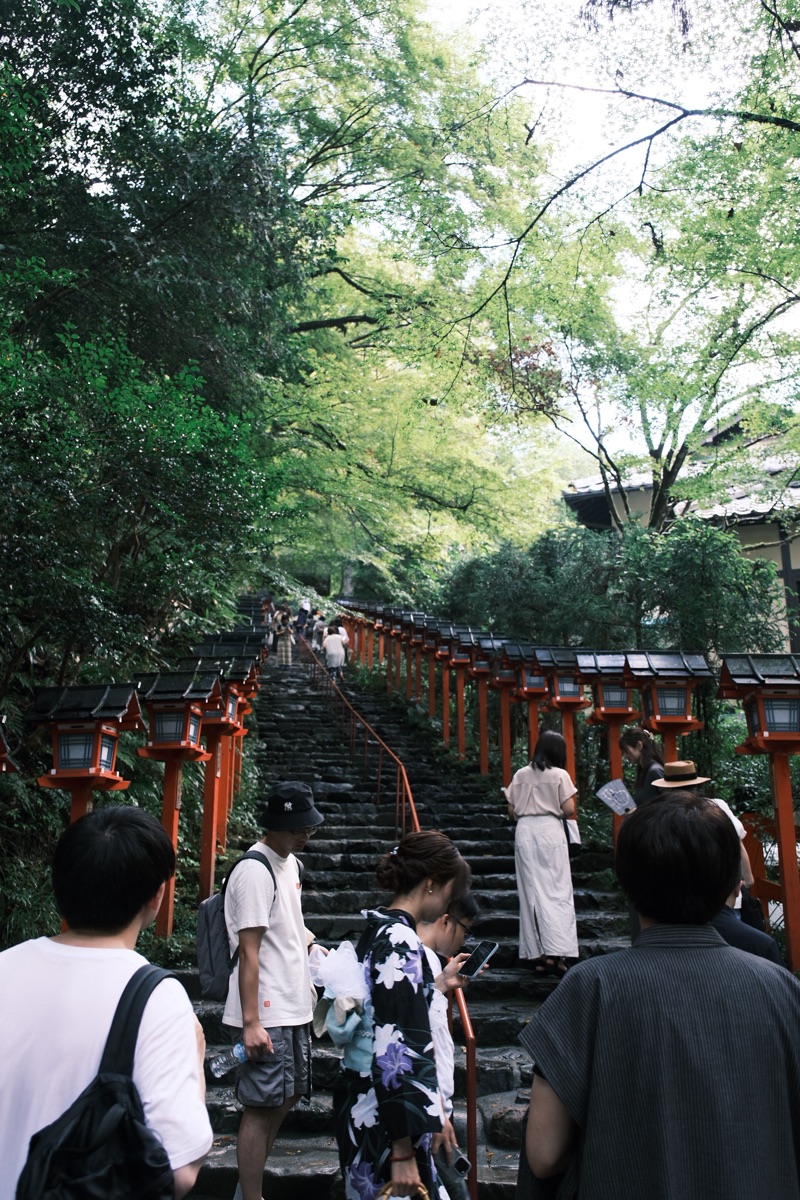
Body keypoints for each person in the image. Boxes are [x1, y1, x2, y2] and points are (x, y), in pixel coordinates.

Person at [521, 793, 800, 1200]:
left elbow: (544, 1154)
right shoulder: (783, 990)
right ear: (730, 883)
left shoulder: (591, 987)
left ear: (628, 883)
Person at [0, 805, 212, 1200]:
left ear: (60, 883)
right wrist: (196, 1068)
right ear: (157, 894)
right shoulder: (155, 998)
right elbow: (177, 1170)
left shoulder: (4, 967)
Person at [333, 830, 471, 1200]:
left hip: (367, 1099)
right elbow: (397, 1046)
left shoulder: (378, 927)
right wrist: (403, 1149)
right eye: (448, 893)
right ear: (430, 884)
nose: (447, 905)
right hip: (386, 1114)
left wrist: (435, 987)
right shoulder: (401, 941)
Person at [222, 781, 325, 1200]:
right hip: (266, 1010)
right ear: (277, 826)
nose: (306, 834)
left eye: (308, 827)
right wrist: (251, 1023)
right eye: (298, 828)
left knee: (290, 1092)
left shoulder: (291, 865)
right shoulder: (253, 871)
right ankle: (251, 1195)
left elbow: (291, 927)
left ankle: (248, 1184)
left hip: (293, 1004)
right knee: (261, 1106)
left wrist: (315, 948)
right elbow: (249, 951)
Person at [418, 892, 480, 1200]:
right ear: (446, 921)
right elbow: (421, 1038)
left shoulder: (422, 955)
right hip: (429, 1104)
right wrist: (439, 1111)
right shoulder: (419, 956)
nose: (464, 939)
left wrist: (443, 983)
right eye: (465, 930)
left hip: (428, 1101)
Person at [503, 730, 579, 975]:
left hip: (525, 832)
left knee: (531, 894)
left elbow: (511, 810)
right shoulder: (559, 775)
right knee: (557, 892)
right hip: (549, 831)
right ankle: (557, 954)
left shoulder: (521, 774)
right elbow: (568, 809)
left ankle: (539, 953)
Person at [619, 726, 665, 805]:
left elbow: (668, 805)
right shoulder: (644, 771)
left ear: (639, 745)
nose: (625, 755)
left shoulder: (655, 771)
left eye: (626, 751)